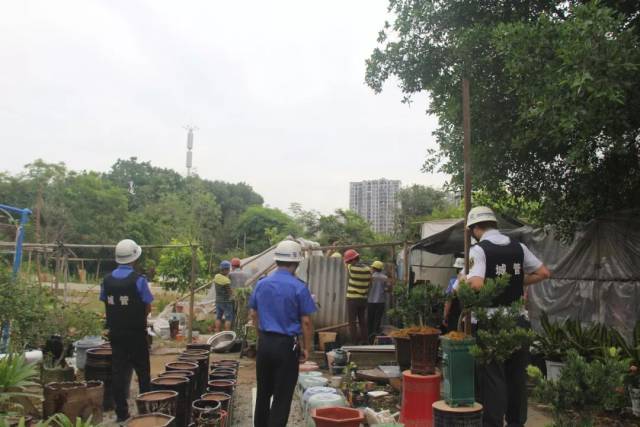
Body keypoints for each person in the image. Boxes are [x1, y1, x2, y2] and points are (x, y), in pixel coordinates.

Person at [463, 206, 551, 427]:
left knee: (492, 377)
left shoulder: (479, 250)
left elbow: (476, 284)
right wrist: (515, 282)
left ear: (475, 229)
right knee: (516, 378)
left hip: (491, 322)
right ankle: (516, 422)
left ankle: (492, 423)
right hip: (519, 320)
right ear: (494, 224)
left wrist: (461, 281)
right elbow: (543, 272)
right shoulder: (519, 247)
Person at [249, 240, 316, 427]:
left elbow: (254, 314)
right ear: (296, 263)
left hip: (265, 343)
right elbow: (306, 321)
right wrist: (306, 348)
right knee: (282, 395)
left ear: (277, 260)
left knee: (263, 392)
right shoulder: (299, 287)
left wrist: (260, 337)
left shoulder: (261, 284)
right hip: (286, 346)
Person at [100, 239, 153, 422]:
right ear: (135, 257)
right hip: (137, 333)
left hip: (116, 334)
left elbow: (105, 302)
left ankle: (122, 413)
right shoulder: (139, 281)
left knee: (118, 373)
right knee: (143, 372)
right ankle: (146, 411)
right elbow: (148, 307)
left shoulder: (106, 281)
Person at [344, 249, 372, 344]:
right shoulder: (368, 270)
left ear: (352, 260)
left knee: (352, 322)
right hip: (363, 299)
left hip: (352, 299)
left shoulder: (351, 268)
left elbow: (346, 265)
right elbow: (370, 284)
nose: (348, 262)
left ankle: (354, 342)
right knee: (362, 321)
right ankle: (365, 341)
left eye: (349, 260)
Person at [367, 260, 389, 342]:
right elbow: (387, 289)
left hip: (370, 301)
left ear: (374, 268)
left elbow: (367, 288)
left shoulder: (370, 277)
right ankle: (375, 339)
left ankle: (369, 338)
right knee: (377, 320)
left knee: (370, 320)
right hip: (380, 302)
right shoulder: (385, 278)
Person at [442, 257, 464, 332]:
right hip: (467, 317)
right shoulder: (471, 282)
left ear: (456, 270)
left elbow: (448, 301)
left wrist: (445, 316)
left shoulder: (453, 282)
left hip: (454, 316)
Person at [214, 261, 234, 332]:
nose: (229, 271)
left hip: (218, 300)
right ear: (226, 270)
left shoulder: (216, 277)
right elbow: (230, 292)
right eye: (228, 269)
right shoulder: (226, 280)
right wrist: (233, 295)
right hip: (226, 302)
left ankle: (217, 332)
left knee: (218, 317)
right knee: (228, 318)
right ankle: (227, 332)